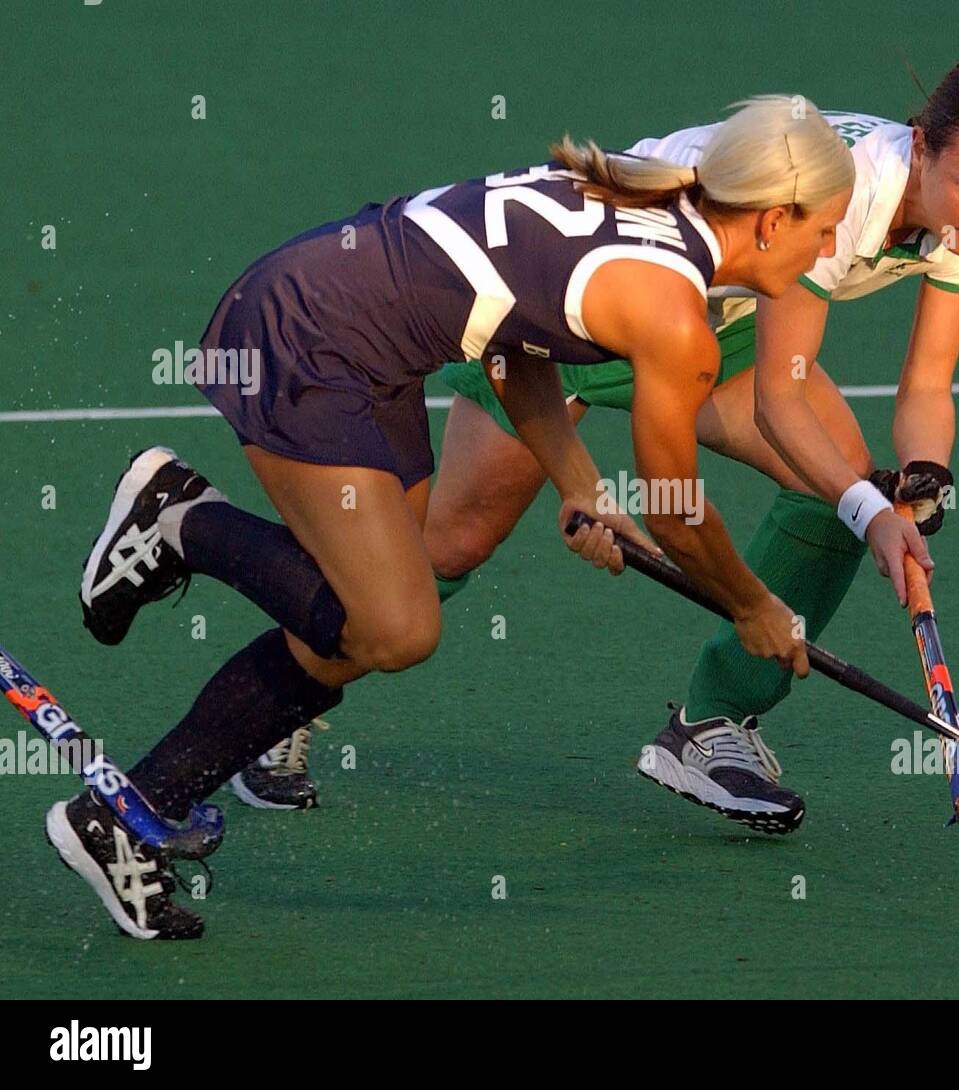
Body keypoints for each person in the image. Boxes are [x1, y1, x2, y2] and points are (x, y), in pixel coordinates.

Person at [58, 96, 857, 939]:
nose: (832, 249)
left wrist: (579, 481)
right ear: (773, 221)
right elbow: (680, 512)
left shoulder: (651, 207)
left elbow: (517, 342)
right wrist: (754, 606)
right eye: (824, 228)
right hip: (310, 337)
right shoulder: (671, 312)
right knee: (396, 629)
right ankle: (179, 518)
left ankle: (127, 815)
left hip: (365, 344)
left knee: (342, 635)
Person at [242, 63, 959, 833]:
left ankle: (713, 723)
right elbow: (779, 398)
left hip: (709, 322)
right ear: (922, 143)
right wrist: (871, 510)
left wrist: (920, 478)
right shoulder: (844, 198)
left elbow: (927, 388)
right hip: (586, 297)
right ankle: (281, 696)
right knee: (451, 542)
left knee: (832, 490)